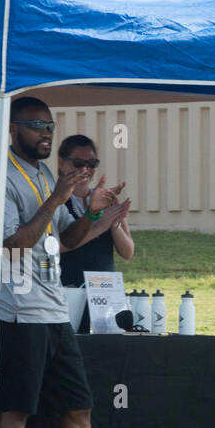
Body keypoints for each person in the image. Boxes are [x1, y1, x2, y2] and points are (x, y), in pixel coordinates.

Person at [0, 96, 137, 428]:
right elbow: (13, 244)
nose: (45, 133)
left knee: (79, 406)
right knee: (16, 411)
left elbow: (66, 240)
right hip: (19, 311)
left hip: (54, 309)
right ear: (13, 128)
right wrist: (58, 196)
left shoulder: (45, 174)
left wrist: (94, 210)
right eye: (35, 125)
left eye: (49, 126)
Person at [58, 134, 134, 333]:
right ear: (62, 163)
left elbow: (128, 252)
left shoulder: (105, 198)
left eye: (91, 164)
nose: (85, 170)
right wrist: (101, 223)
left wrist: (114, 222)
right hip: (69, 289)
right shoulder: (55, 200)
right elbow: (58, 245)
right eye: (78, 163)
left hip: (105, 291)